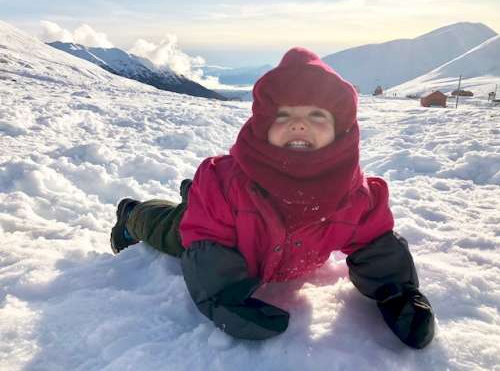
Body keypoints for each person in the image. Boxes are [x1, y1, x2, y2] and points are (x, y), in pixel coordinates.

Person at [110, 47, 435, 348]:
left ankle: (189, 193)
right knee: (167, 228)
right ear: (264, 126)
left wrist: (398, 295)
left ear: (341, 129)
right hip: (218, 225)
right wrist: (225, 298)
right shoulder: (226, 186)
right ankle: (132, 214)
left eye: (316, 116)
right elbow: (208, 250)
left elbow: (376, 244)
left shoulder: (355, 197)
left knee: (199, 202)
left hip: (232, 219)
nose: (299, 125)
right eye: (284, 116)